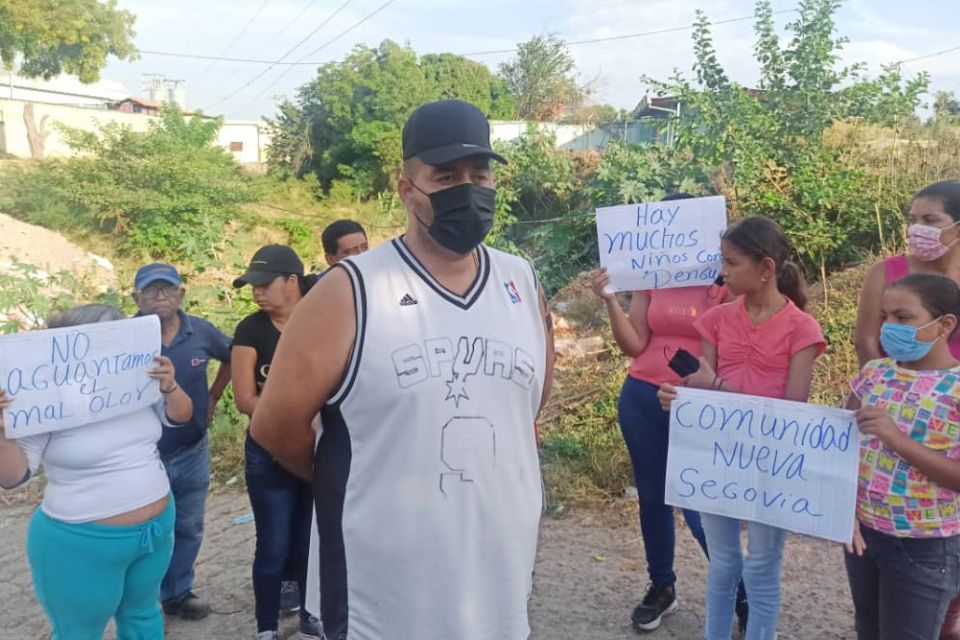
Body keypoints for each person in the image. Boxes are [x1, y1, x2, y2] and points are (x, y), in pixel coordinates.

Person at [249, 99, 555, 640]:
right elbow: (275, 426)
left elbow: (528, 401)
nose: (468, 188)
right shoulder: (351, 291)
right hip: (382, 589)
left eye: (479, 173)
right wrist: (367, 480)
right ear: (405, 187)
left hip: (498, 573)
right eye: (445, 175)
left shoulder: (522, 280)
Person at [659, 216, 826, 640]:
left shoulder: (802, 329)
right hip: (719, 458)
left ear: (766, 268)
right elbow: (701, 392)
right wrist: (678, 400)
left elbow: (794, 410)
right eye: (723, 261)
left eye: (732, 263)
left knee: (763, 566)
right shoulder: (716, 319)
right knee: (724, 563)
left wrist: (714, 386)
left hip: (773, 464)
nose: (724, 272)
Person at [588, 193, 747, 633]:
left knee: (702, 505)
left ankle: (742, 593)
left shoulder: (726, 281)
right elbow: (635, 345)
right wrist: (609, 300)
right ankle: (662, 587)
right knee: (653, 497)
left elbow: (736, 347)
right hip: (642, 395)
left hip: (698, 403)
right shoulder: (651, 276)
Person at [0, 304, 192, 640]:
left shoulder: (136, 380)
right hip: (80, 544)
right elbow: (12, 477)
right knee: (79, 633)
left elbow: (182, 417)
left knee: (143, 617)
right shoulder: (44, 398)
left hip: (153, 533)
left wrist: (170, 387)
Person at [853, 179, 960, 639]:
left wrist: (896, 438)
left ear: (945, 325)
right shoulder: (876, 376)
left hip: (927, 541)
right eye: (886, 318)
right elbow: (830, 436)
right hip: (866, 534)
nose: (917, 228)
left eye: (930, 220)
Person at [132, 263, 232, 620]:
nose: (160, 295)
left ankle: (178, 593)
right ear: (136, 298)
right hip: (141, 458)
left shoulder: (202, 332)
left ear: (181, 293)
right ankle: (142, 602)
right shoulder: (121, 338)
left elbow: (235, 357)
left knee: (188, 524)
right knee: (145, 531)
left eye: (167, 288)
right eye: (151, 290)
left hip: (192, 450)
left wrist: (215, 396)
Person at [231, 245, 322, 640]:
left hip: (317, 450)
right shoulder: (250, 330)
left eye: (265, 285)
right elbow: (245, 398)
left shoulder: (323, 320)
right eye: (253, 286)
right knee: (273, 544)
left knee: (307, 542)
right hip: (267, 452)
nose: (257, 293)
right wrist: (293, 421)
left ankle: (309, 616)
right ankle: (266, 627)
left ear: (292, 281)